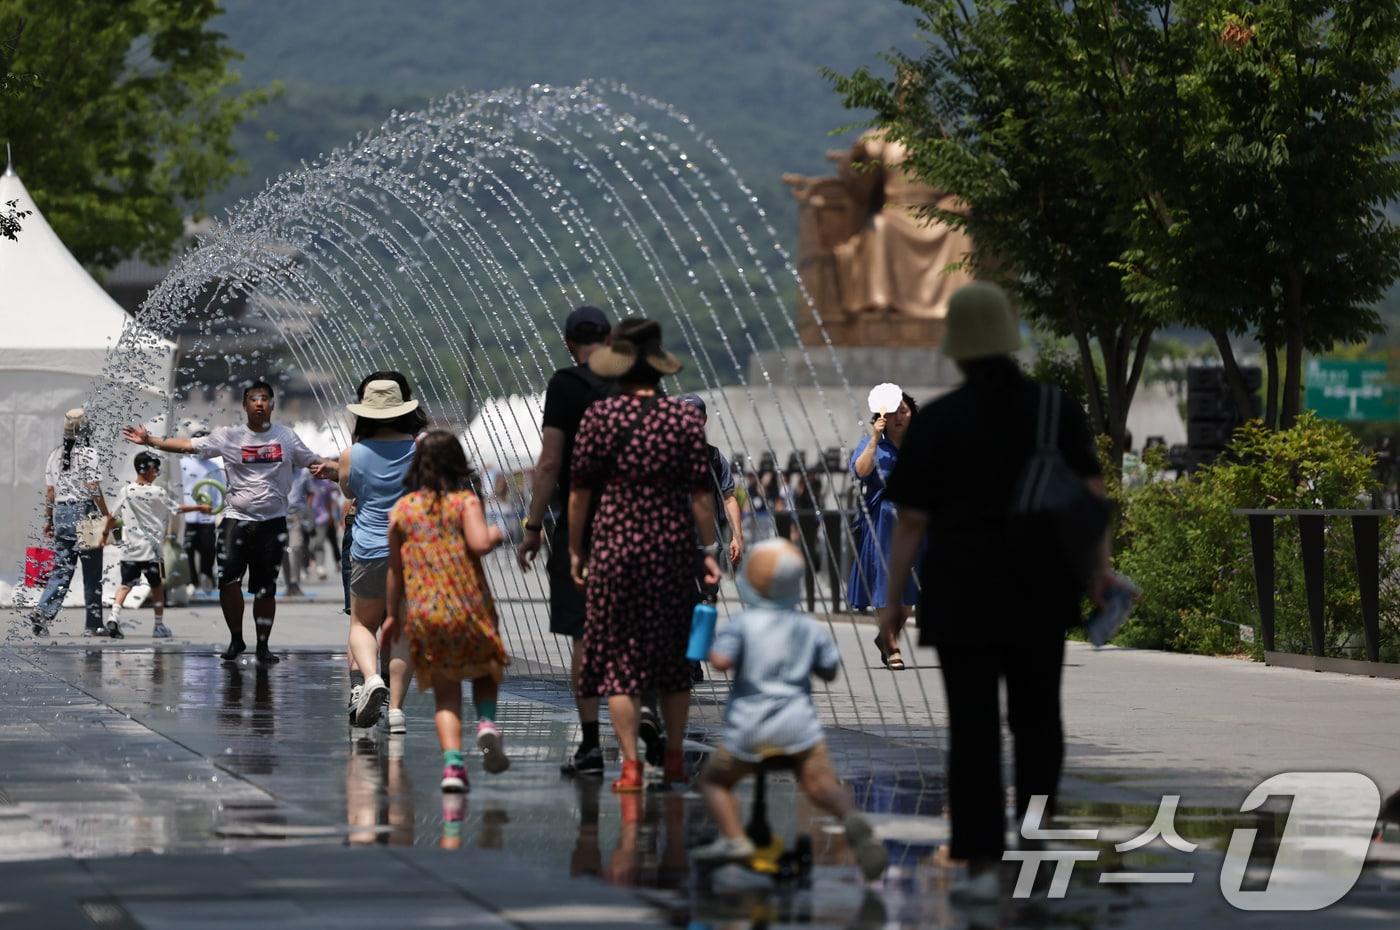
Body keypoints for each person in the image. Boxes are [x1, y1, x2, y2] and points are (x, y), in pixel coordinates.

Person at [882, 282, 1112, 902]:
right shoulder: (1053, 409)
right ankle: (1035, 835)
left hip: (963, 593)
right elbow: (1090, 495)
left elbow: (909, 521)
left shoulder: (939, 419)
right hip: (1040, 587)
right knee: (1039, 718)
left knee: (973, 725)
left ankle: (981, 853)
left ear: (957, 348)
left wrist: (893, 602)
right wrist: (1100, 571)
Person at [566, 318, 722, 793]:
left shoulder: (600, 417)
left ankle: (631, 765)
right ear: (658, 367)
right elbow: (700, 495)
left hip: (614, 551)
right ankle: (673, 759)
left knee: (620, 662)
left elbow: (580, 493)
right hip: (672, 552)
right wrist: (709, 550)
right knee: (674, 665)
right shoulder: (681, 420)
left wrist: (577, 550)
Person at [691, 539, 887, 881]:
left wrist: (705, 642)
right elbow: (829, 668)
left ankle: (735, 840)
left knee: (714, 781)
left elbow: (721, 661)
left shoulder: (743, 625)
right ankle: (852, 818)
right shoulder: (807, 627)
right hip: (799, 732)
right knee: (820, 785)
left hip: (750, 732)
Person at [122, 380, 329, 664]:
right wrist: (151, 441)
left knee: (265, 588)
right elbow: (188, 446)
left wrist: (336, 469)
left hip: (273, 522)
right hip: (235, 520)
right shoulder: (229, 436)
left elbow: (315, 462)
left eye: (265, 398)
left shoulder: (286, 437)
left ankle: (264, 645)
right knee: (228, 582)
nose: (259, 403)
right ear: (244, 406)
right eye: (253, 399)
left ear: (272, 405)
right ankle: (236, 638)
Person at [383, 430, 511, 793]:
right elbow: (479, 543)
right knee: (487, 668)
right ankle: (486, 723)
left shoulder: (402, 511)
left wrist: (393, 615)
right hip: (468, 604)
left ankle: (453, 768)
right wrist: (497, 532)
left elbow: (394, 570)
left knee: (446, 692)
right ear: (457, 463)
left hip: (425, 611)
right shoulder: (464, 503)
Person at [516, 305, 614, 777]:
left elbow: (550, 462)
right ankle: (648, 718)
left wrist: (533, 526)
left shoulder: (566, 385)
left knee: (584, 632)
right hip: (642, 522)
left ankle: (592, 743)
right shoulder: (640, 382)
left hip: (584, 524)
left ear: (569, 344)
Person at [334, 373, 427, 732]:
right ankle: (399, 712)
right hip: (411, 550)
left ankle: (372, 679)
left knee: (362, 624)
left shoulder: (352, 455)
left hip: (369, 548)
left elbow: (348, 492)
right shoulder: (422, 450)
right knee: (402, 629)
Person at [848, 387, 921, 670]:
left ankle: (885, 637)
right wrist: (875, 439)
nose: (899, 417)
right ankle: (893, 649)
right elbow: (860, 470)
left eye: (904, 410)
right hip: (883, 522)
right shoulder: (873, 443)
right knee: (883, 584)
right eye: (893, 413)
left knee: (907, 597)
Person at [103, 451, 211, 639]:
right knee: (156, 587)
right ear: (147, 469)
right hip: (152, 551)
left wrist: (104, 535)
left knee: (125, 585)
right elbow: (177, 509)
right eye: (155, 468)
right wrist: (200, 507)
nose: (157, 472)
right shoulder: (157, 492)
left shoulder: (126, 491)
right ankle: (159, 626)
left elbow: (112, 517)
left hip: (130, 549)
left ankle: (113, 617)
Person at [32, 408, 109, 636]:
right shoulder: (89, 453)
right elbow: (93, 488)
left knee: (61, 570)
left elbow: (50, 492)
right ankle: (93, 625)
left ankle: (43, 612)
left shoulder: (54, 454)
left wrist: (49, 520)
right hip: (85, 512)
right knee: (92, 572)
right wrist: (106, 516)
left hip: (62, 513)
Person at [180, 427, 223, 592]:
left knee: (208, 549)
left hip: (208, 517)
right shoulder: (182, 464)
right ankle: (192, 580)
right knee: (188, 550)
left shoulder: (213, 466)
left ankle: (206, 574)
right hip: (188, 516)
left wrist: (218, 511)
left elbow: (219, 490)